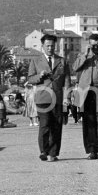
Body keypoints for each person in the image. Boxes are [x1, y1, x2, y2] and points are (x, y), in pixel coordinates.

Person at [27, 33, 70, 162]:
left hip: (57, 98)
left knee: (56, 126)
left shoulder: (62, 61)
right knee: (44, 125)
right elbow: (30, 79)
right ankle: (43, 151)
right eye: (47, 46)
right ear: (42, 46)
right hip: (42, 98)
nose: (50, 48)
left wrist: (67, 97)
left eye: (52, 46)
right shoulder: (35, 61)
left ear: (55, 46)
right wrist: (39, 76)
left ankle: (53, 153)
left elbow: (67, 81)